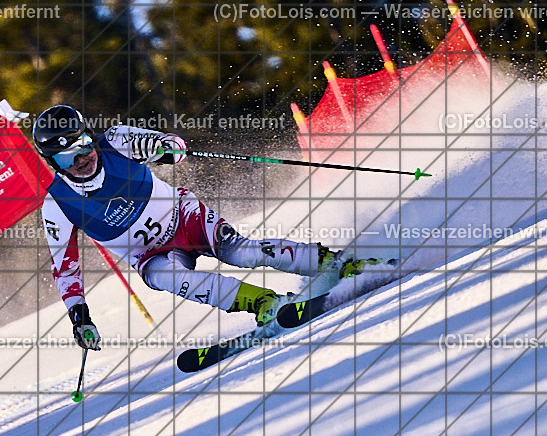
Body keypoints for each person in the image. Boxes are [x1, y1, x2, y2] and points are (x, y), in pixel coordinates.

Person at [33, 105, 376, 351]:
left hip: (183, 216)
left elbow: (174, 146)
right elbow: (65, 268)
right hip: (151, 253)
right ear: (53, 163)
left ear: (90, 139)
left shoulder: (117, 141)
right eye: (67, 158)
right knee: (162, 277)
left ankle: (340, 264)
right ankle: (263, 303)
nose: (82, 159)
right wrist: (80, 317)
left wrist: (164, 150)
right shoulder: (58, 205)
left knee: (239, 252)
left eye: (83, 147)